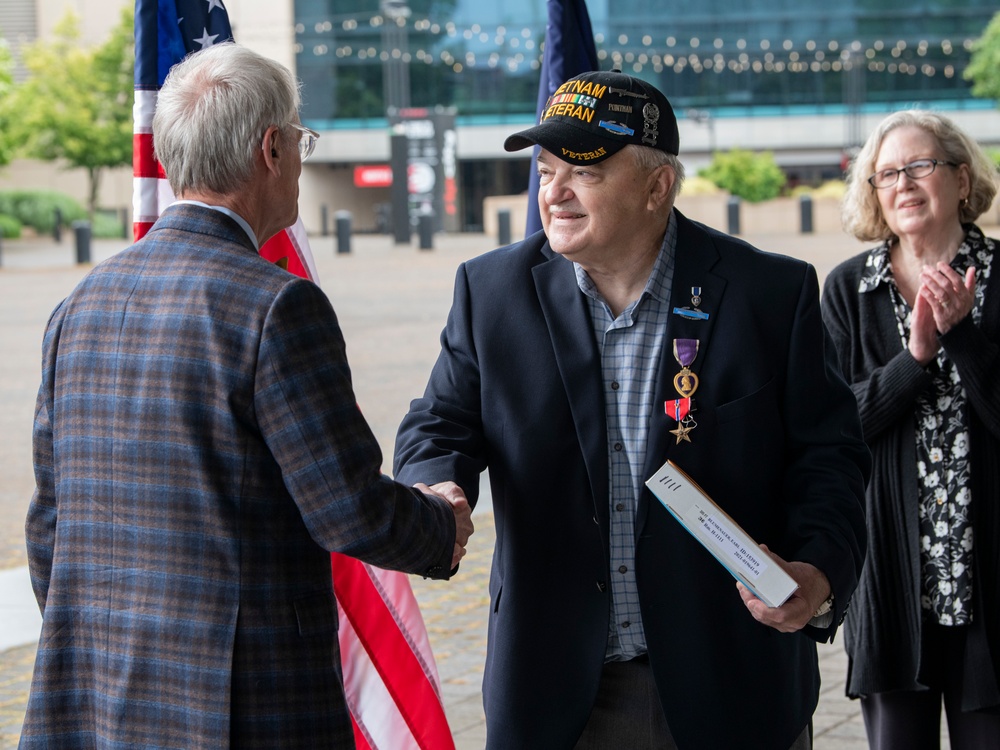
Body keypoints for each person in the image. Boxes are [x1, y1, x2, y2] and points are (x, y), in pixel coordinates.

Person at [393, 69, 870, 750]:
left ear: (657, 187)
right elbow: (438, 423)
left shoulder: (771, 292)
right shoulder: (490, 291)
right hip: (557, 694)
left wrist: (817, 572)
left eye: (582, 172)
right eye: (545, 167)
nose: (552, 192)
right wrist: (436, 484)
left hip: (731, 685)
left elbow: (830, 460)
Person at [21, 42, 472, 748]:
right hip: (239, 708)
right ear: (271, 149)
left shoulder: (80, 303)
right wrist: (441, 527)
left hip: (97, 700)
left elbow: (49, 524)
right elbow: (347, 510)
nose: (300, 156)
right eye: (299, 140)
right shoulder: (278, 307)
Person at [822, 110, 1000, 749]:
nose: (903, 183)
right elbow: (837, 430)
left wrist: (963, 338)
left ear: (959, 177)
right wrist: (915, 360)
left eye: (920, 165)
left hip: (991, 590)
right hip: (893, 586)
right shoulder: (848, 290)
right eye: (886, 173)